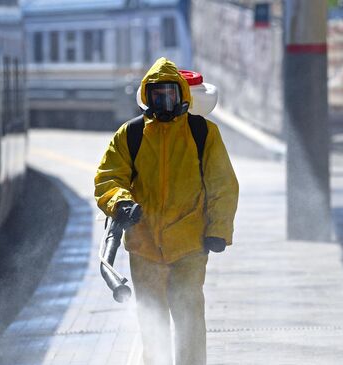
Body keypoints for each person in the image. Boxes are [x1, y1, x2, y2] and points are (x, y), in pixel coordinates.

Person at [94, 57, 239, 365]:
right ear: (147, 96)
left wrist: (218, 231)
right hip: (144, 248)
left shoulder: (202, 134)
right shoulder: (130, 135)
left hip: (190, 247)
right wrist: (121, 201)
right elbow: (109, 177)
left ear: (182, 96)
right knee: (152, 326)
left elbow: (223, 185)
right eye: (157, 95)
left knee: (189, 321)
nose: (164, 102)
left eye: (170, 95)